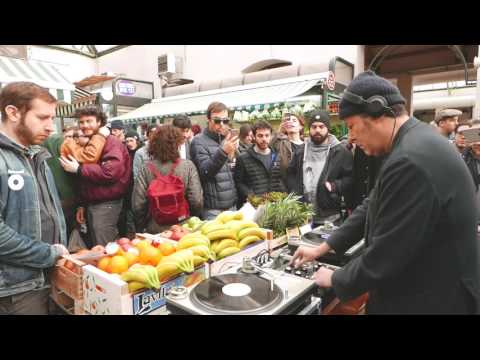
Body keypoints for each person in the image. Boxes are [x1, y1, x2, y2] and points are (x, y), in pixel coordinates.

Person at [291, 71, 480, 314]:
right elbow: (373, 202)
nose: (351, 138)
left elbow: (388, 253)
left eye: (352, 126)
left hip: (435, 298)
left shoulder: (411, 159)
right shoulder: (415, 142)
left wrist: (336, 279)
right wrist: (323, 247)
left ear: (377, 111)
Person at [0, 82, 69, 315]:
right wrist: (48, 254)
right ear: (13, 112)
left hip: (46, 278)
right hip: (16, 290)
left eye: (52, 118)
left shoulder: (36, 155)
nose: (51, 127)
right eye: (42, 118)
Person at [60, 107, 131, 246]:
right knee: (98, 243)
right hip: (93, 201)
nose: (85, 125)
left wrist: (80, 169)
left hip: (107, 202)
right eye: (81, 122)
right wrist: (81, 205)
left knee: (105, 244)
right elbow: (84, 180)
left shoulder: (111, 142)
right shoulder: (91, 141)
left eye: (89, 121)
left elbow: (110, 172)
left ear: (99, 122)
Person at [287, 110, 353, 226]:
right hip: (303, 217)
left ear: (327, 128)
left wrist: (335, 186)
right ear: (309, 129)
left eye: (321, 126)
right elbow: (290, 174)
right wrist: (296, 192)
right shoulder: (301, 151)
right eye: (314, 127)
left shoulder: (340, 151)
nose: (317, 130)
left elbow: (351, 178)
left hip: (330, 217)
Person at [132, 125, 203, 233]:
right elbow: (197, 200)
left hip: (155, 227)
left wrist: (143, 226)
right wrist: (189, 217)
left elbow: (138, 205)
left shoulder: (146, 169)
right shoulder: (188, 166)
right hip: (183, 227)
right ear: (177, 144)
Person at [190, 101, 238, 220]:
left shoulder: (227, 139)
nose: (221, 124)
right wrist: (223, 152)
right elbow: (204, 172)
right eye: (217, 121)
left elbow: (232, 173)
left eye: (225, 121)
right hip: (213, 210)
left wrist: (234, 157)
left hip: (232, 206)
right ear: (208, 120)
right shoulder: (198, 141)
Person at [234, 120, 285, 207]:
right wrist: (252, 197)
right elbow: (238, 183)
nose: (264, 139)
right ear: (254, 136)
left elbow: (279, 180)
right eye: (260, 136)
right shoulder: (243, 158)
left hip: (274, 206)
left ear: (271, 136)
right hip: (253, 206)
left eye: (267, 135)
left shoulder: (277, 156)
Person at [271, 112, 304, 183]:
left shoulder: (307, 145)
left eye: (294, 120)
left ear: (301, 126)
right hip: (286, 185)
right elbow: (270, 144)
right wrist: (281, 128)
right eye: (288, 121)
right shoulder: (280, 143)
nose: (290, 122)